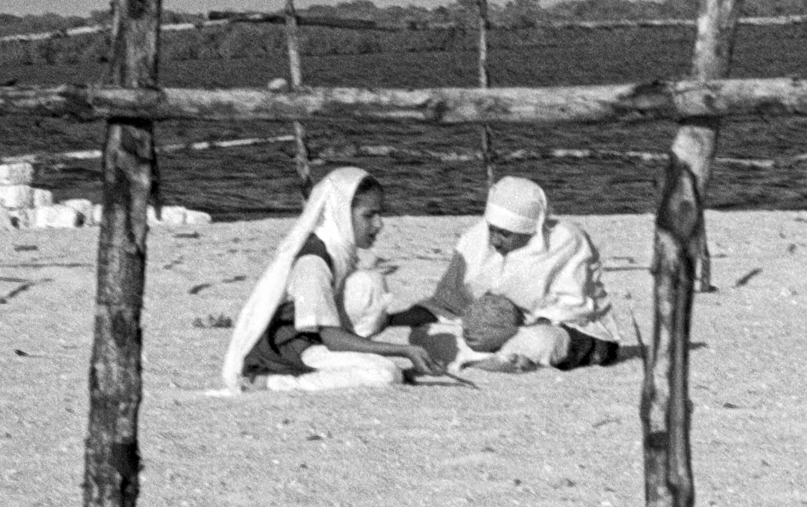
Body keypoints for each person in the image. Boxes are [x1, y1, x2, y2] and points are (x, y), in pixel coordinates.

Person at [218, 165, 422, 389]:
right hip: (286, 351)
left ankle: (355, 359)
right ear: (341, 213)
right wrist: (402, 350)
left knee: (369, 283)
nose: (378, 224)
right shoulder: (314, 262)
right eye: (368, 215)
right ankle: (273, 382)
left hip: (310, 342)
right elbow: (332, 339)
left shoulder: (339, 251)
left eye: (380, 213)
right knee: (385, 373)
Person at [425, 173, 622, 372]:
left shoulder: (568, 241)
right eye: (492, 230)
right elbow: (449, 302)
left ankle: (487, 359)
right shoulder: (478, 240)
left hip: (574, 332)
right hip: (497, 333)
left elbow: (574, 311)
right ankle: (496, 359)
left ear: (531, 230)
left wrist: (508, 333)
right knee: (425, 333)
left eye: (505, 234)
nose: (494, 240)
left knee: (543, 341)